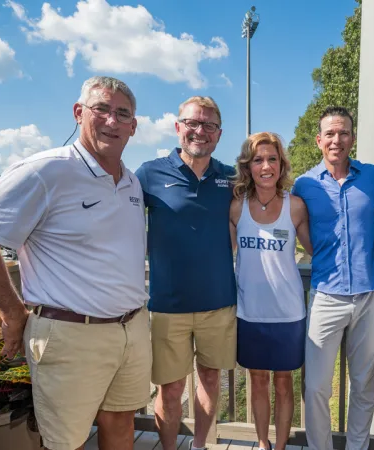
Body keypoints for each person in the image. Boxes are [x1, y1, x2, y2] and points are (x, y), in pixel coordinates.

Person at [0, 76, 151, 450]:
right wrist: (13, 314)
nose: (112, 120)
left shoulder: (131, 182)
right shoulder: (44, 171)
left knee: (121, 423)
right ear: (79, 113)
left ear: (133, 126)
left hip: (131, 328)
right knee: (66, 441)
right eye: (101, 109)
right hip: (70, 333)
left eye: (122, 113)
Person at [135, 96, 237, 450]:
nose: (200, 131)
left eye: (209, 125)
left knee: (210, 381)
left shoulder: (231, 178)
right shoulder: (148, 174)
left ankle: (200, 445)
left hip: (219, 303)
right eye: (193, 123)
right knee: (171, 388)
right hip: (167, 306)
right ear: (178, 127)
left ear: (219, 134)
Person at [293, 106, 374, 450]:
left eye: (343, 132)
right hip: (326, 295)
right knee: (316, 386)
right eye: (330, 134)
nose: (337, 139)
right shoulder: (303, 184)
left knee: (364, 383)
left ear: (353, 138)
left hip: (371, 294)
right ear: (319, 140)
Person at [230, 132, 312, 450]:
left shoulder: (296, 207)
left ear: (281, 164)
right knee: (258, 381)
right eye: (258, 159)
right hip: (249, 312)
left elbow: (318, 251)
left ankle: (279, 447)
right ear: (248, 166)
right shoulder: (237, 208)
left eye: (272, 159)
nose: (266, 166)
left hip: (289, 313)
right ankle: (263, 444)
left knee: (284, 382)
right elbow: (222, 255)